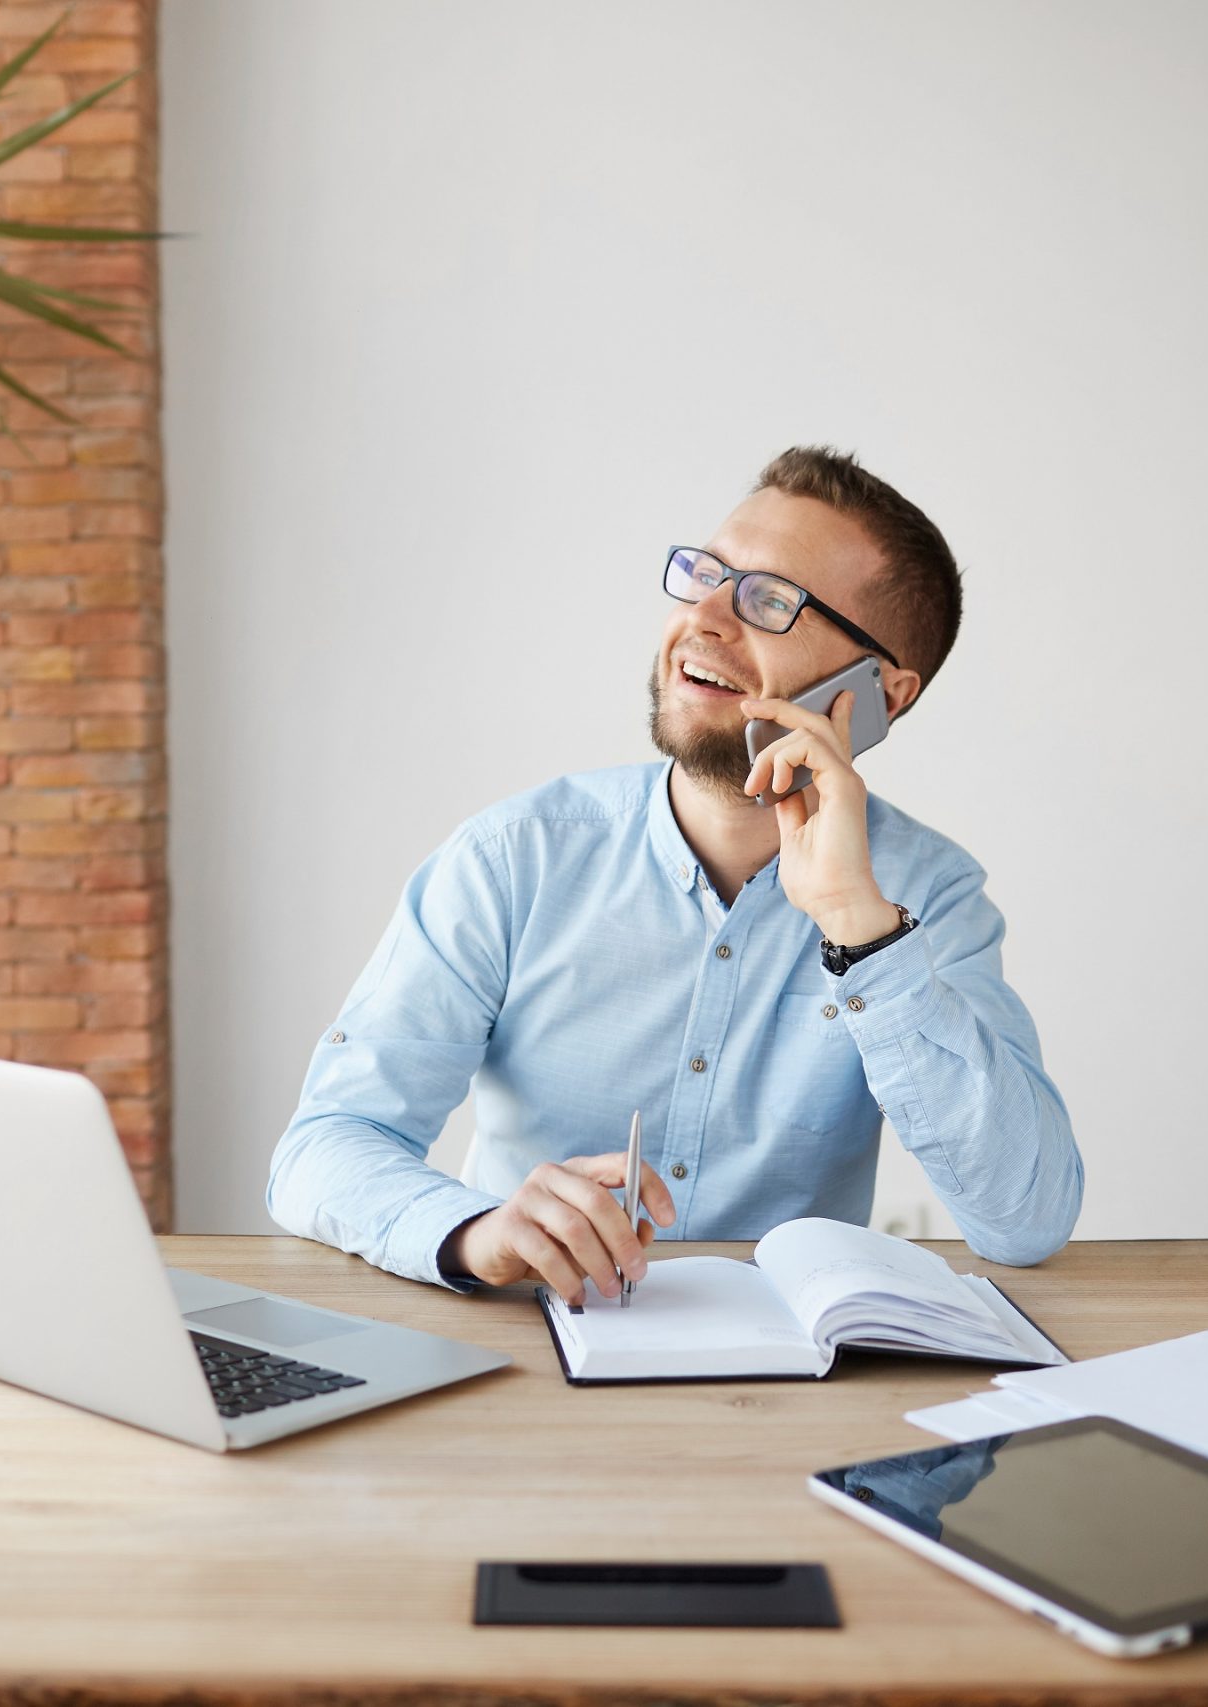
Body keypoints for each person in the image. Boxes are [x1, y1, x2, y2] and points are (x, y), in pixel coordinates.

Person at [265, 446, 1082, 1305]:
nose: (705, 617)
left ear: (879, 691)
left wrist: (858, 927)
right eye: (706, 575)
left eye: (769, 599)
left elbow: (1024, 1220)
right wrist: (477, 1231)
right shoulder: (514, 859)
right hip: (532, 1360)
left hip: (790, 1396)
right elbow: (325, 1144)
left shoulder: (929, 898)